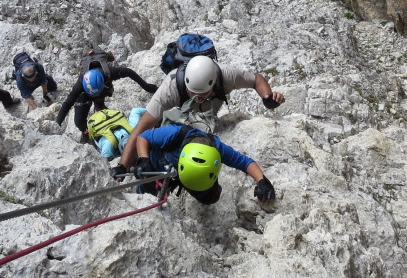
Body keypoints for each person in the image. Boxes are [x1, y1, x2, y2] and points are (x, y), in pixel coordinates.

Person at [118, 55, 285, 169]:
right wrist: (122, 166)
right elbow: (143, 127)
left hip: (204, 127)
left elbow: (256, 80)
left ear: (213, 84)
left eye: (203, 93)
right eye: (193, 93)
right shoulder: (171, 86)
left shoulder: (225, 75)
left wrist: (267, 97)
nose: (198, 97)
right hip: (174, 128)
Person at [111, 125, 275, 205]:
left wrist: (263, 181)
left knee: (210, 199)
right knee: (147, 193)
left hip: (191, 174)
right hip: (154, 167)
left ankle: (200, 186)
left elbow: (244, 162)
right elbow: (143, 137)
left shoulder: (217, 149)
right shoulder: (173, 135)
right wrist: (143, 159)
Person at [56, 53, 157, 138]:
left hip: (102, 88)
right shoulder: (79, 85)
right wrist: (57, 123)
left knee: (101, 106)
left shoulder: (109, 72)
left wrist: (147, 86)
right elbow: (68, 103)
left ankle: (108, 121)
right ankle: (86, 133)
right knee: (79, 122)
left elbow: (129, 72)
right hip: (85, 94)